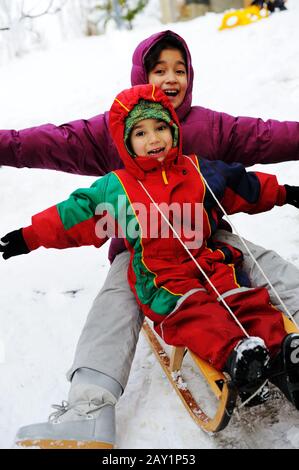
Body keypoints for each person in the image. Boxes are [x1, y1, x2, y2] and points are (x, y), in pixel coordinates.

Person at [1, 30, 299, 448]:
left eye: (180, 69)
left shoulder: (208, 127)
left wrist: (284, 192)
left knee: (262, 265)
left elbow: (261, 146)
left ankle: (289, 351)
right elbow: (54, 163)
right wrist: (29, 236)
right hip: (143, 250)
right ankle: (91, 407)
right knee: (117, 299)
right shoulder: (111, 129)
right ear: (141, 74)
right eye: (159, 69)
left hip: (207, 238)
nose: (171, 78)